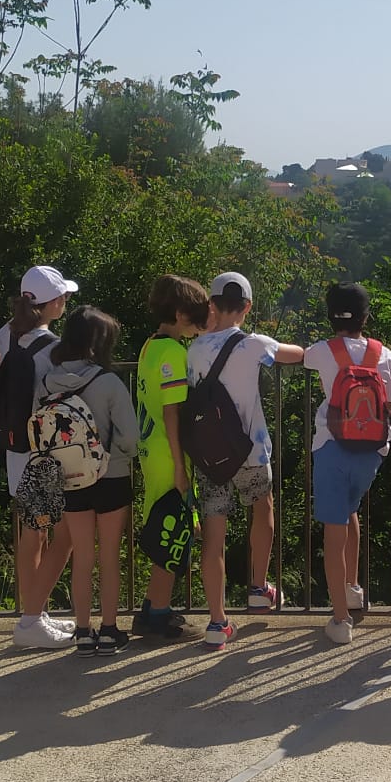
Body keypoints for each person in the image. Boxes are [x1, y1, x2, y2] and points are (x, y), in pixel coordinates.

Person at [0, 264, 78, 651]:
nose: (66, 301)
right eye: (63, 296)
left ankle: (35, 614)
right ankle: (31, 620)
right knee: (44, 533)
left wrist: (8, 364)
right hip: (45, 450)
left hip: (18, 448)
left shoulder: (11, 333)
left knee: (34, 531)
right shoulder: (54, 347)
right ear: (52, 304)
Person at [187, 273, 304, 626]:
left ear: (212, 305)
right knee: (262, 509)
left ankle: (217, 622)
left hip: (210, 456)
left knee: (214, 537)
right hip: (250, 451)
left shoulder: (194, 349)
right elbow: (296, 354)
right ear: (247, 307)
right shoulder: (254, 344)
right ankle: (258, 588)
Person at [35, 306, 138, 656]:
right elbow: (130, 437)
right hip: (111, 475)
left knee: (82, 557)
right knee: (109, 555)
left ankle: (82, 631)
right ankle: (108, 631)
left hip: (69, 478)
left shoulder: (46, 382)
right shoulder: (108, 382)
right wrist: (119, 455)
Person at [304, 283, 391, 646]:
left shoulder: (322, 351)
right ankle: (353, 589)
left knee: (334, 529)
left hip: (332, 446)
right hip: (371, 453)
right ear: (366, 317)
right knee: (350, 510)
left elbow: (298, 357)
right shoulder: (384, 354)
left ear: (331, 318)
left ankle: (340, 619)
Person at [134, 275, 210, 643]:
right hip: (169, 455)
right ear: (180, 314)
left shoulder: (150, 346)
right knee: (172, 534)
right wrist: (182, 469)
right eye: (197, 316)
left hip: (151, 452)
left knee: (161, 528)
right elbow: (171, 413)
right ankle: (159, 618)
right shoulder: (175, 354)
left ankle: (151, 608)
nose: (201, 324)